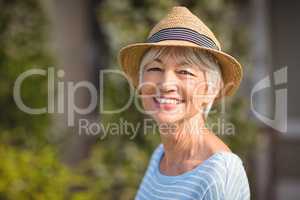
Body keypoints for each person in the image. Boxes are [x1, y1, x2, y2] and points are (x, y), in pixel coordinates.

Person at [118, 6, 250, 200]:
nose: (165, 84)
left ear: (210, 90)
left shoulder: (221, 172)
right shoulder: (160, 156)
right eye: (155, 68)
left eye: (185, 71)